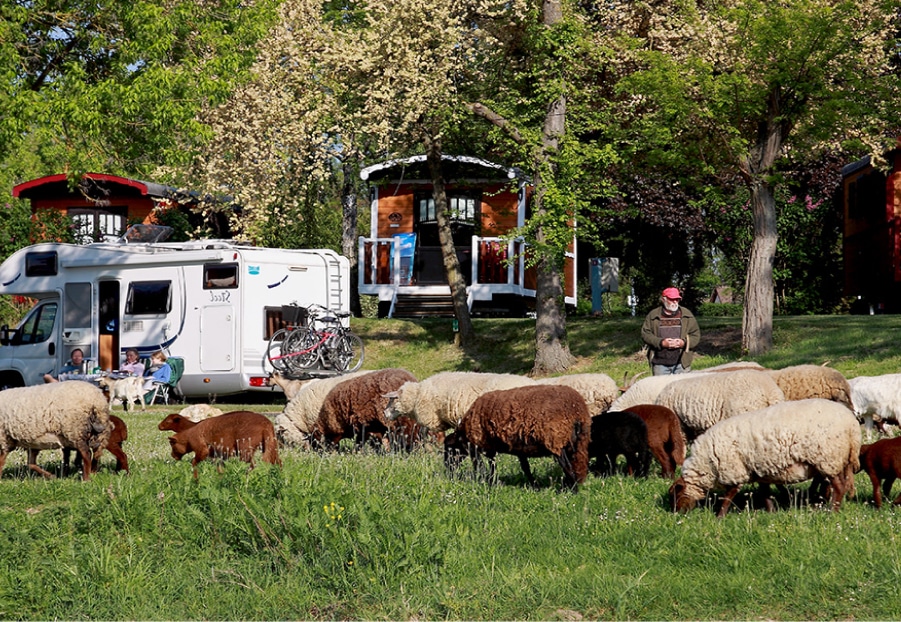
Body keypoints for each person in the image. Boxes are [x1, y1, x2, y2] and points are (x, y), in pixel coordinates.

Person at [641, 287, 701, 376]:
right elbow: (645, 334)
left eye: (677, 299)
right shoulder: (653, 315)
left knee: (682, 389)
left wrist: (683, 343)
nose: (675, 302)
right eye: (672, 299)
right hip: (660, 363)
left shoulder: (687, 315)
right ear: (663, 299)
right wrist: (661, 343)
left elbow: (696, 335)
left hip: (681, 363)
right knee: (661, 389)